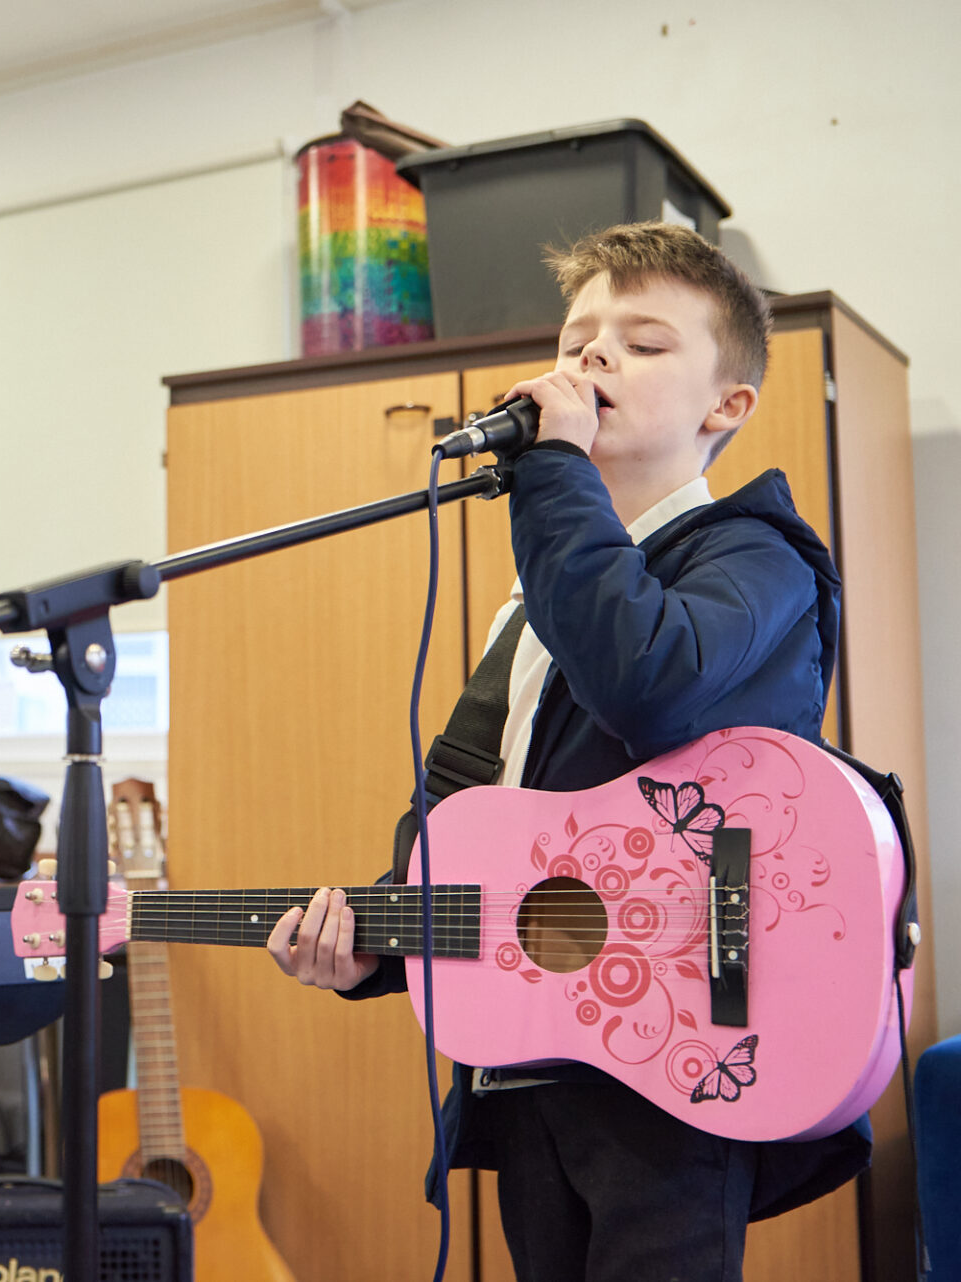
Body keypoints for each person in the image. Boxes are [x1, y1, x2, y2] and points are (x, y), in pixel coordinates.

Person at [265, 222, 864, 1281]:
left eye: (643, 342)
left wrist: (552, 472)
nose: (594, 356)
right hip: (539, 1055)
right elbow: (471, 820)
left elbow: (649, 681)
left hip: (681, 1048)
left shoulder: (754, 556)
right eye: (579, 336)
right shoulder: (540, 597)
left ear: (727, 406)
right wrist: (369, 949)